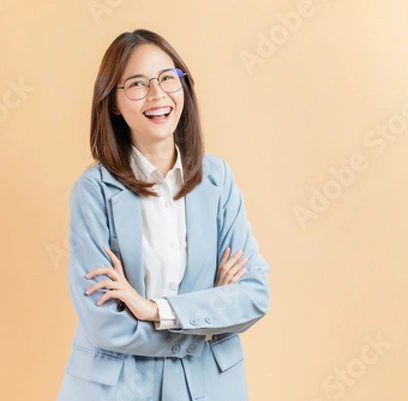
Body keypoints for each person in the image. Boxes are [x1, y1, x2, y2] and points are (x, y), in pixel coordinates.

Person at [56, 29, 270, 401]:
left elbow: (252, 296)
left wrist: (153, 309)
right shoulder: (93, 191)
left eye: (168, 78)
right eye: (137, 84)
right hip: (118, 388)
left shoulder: (218, 179)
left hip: (207, 385)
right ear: (113, 103)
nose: (158, 95)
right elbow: (104, 323)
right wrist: (205, 320)